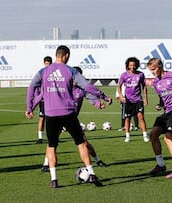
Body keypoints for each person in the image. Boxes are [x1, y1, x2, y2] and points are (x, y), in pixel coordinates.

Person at [25, 45, 112, 188]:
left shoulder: (43, 71)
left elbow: (32, 87)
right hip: (68, 113)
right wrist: (103, 95)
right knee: (80, 143)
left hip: (51, 114)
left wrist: (29, 107)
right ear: (65, 55)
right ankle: (91, 173)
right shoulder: (70, 70)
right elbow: (87, 86)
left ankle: (54, 180)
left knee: (52, 146)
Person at [40, 66, 109, 172]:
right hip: (58, 118)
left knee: (84, 142)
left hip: (71, 120)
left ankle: (97, 160)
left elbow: (91, 97)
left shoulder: (81, 90)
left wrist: (98, 103)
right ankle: (45, 164)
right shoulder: (63, 88)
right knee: (52, 143)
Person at [117, 57, 148, 142]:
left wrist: (145, 98)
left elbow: (144, 86)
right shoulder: (124, 75)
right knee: (127, 118)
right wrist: (120, 95)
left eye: (134, 65)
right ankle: (127, 136)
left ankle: (145, 135)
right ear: (128, 66)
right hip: (128, 101)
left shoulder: (140, 74)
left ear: (137, 65)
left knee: (140, 116)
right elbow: (119, 86)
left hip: (138, 100)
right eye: (131, 65)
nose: (132, 67)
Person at [35, 56, 52, 144]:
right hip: (43, 101)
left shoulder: (53, 73)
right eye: (46, 63)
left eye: (48, 64)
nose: (47, 65)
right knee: (42, 118)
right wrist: (38, 97)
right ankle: (40, 137)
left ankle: (52, 136)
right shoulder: (41, 73)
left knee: (51, 120)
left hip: (52, 100)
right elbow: (36, 86)